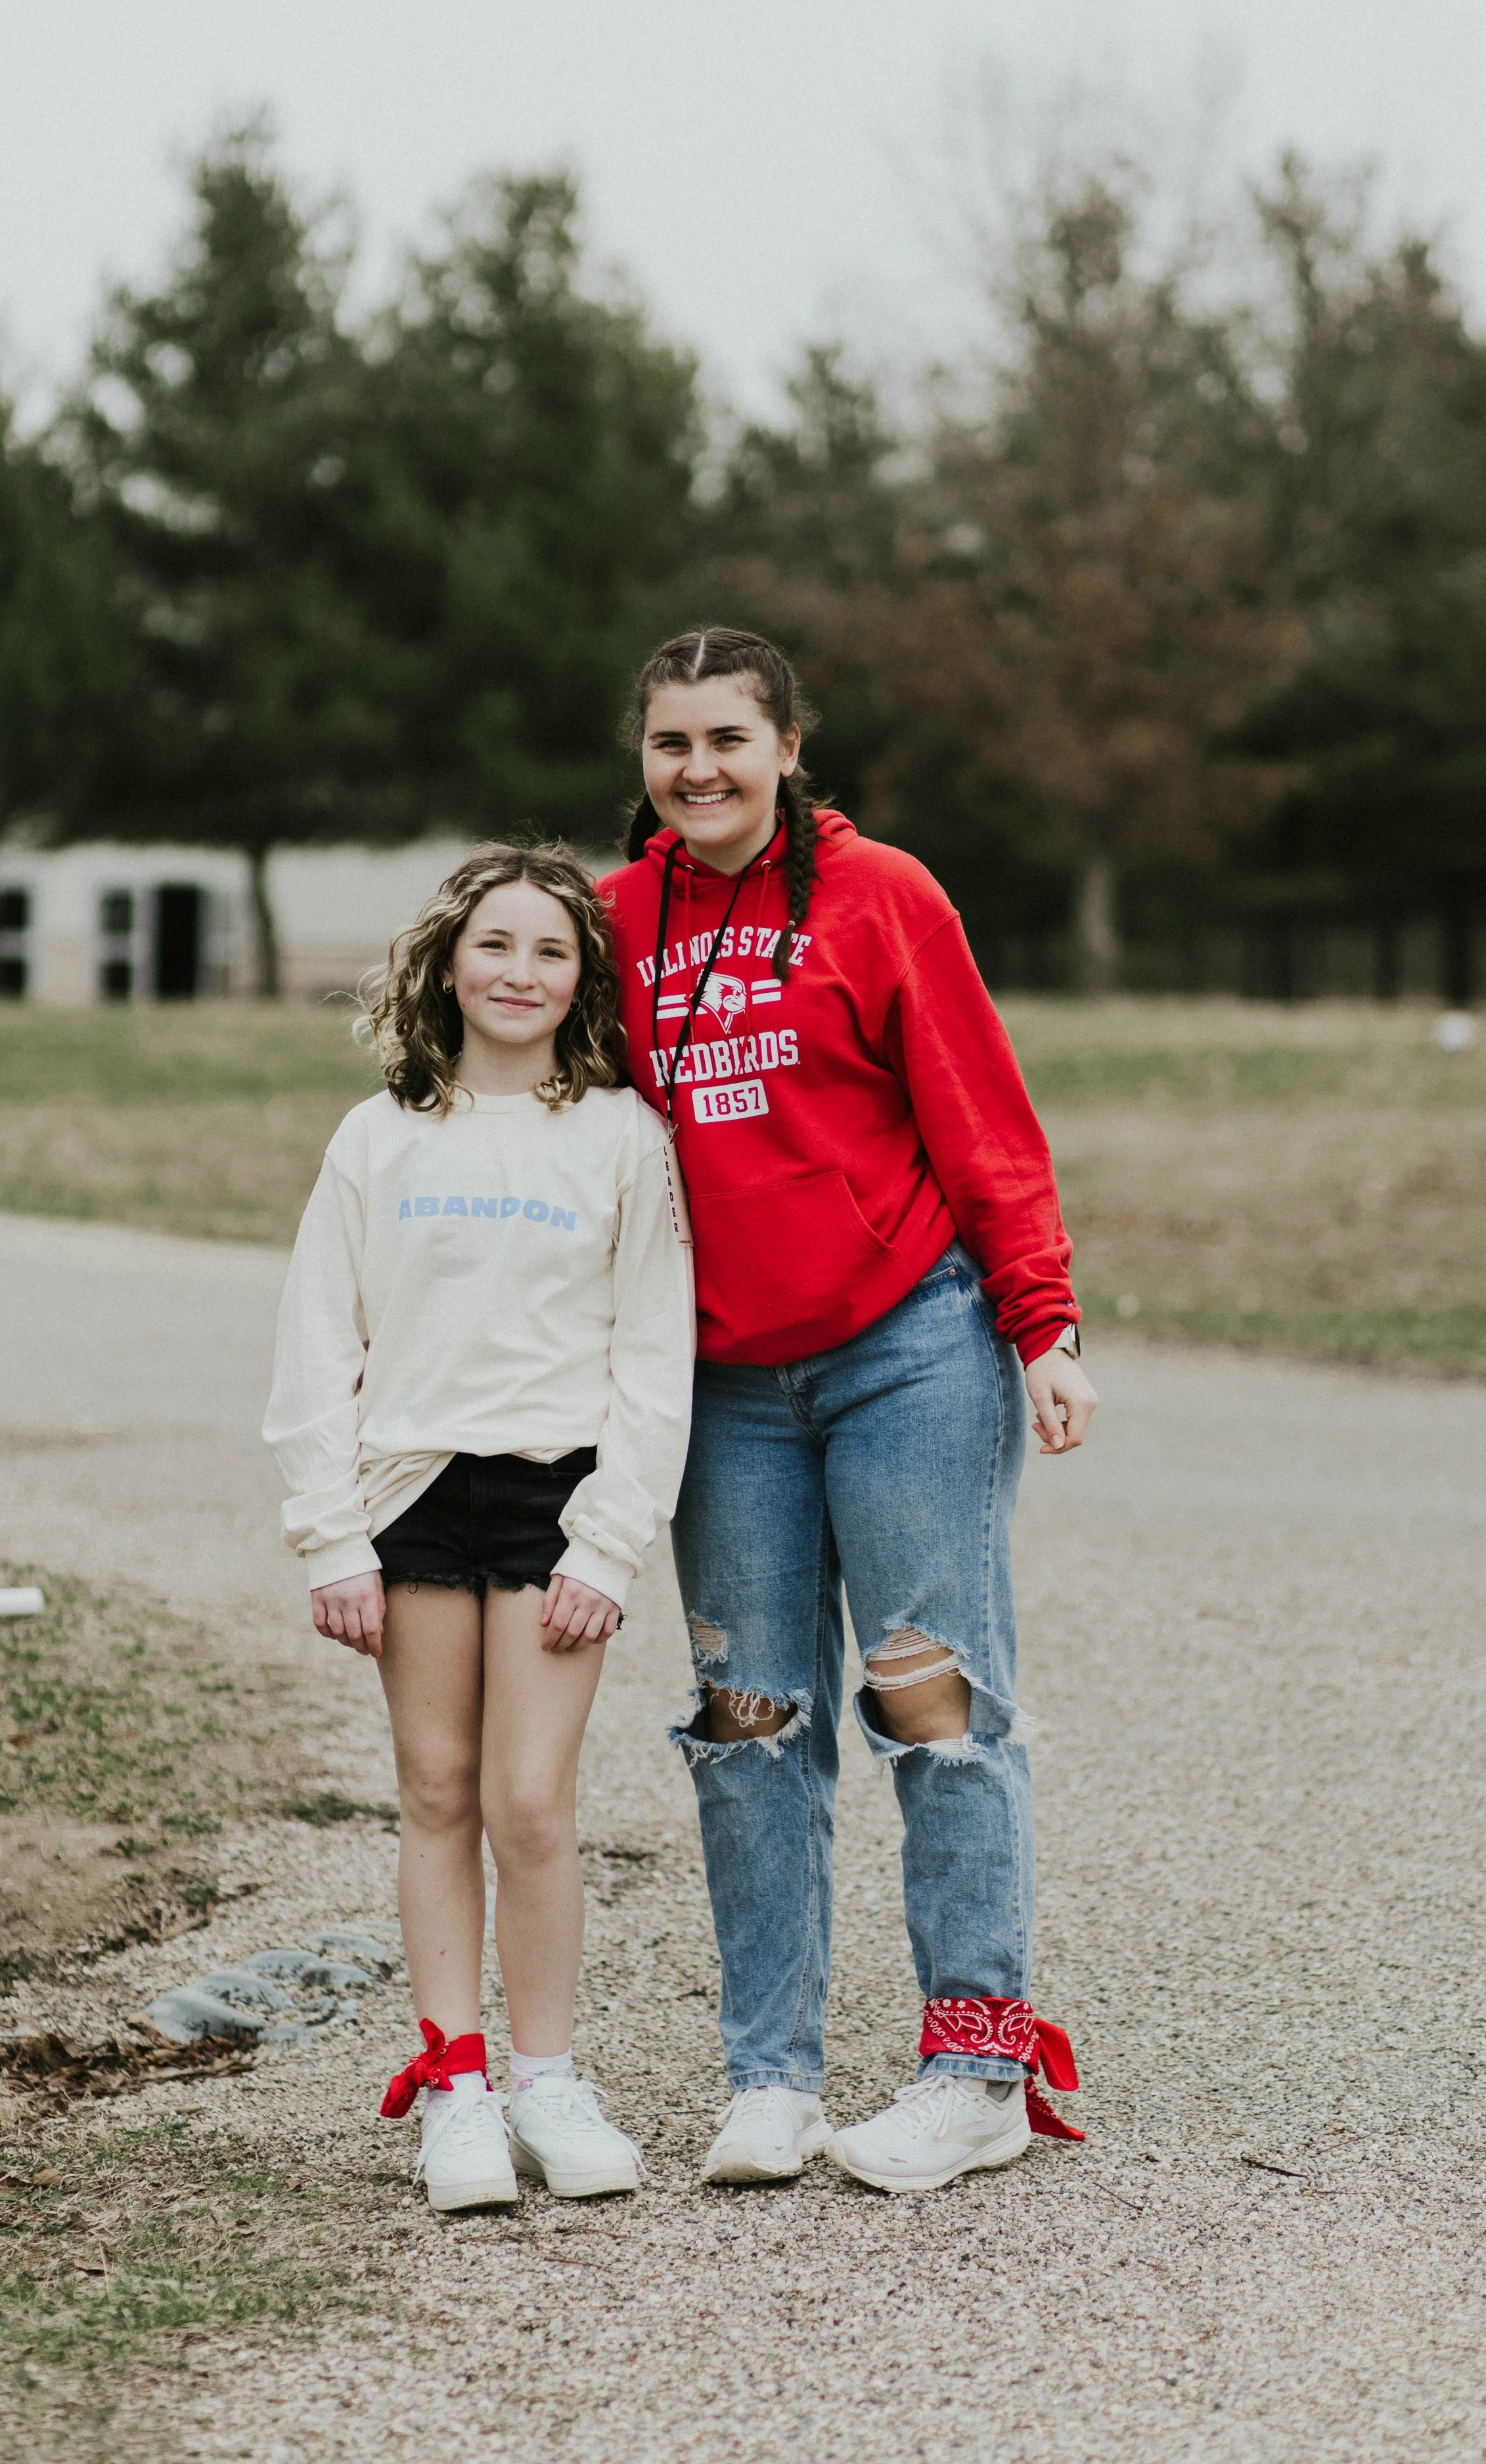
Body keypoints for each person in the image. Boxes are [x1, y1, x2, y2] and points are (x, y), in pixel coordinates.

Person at [599, 629, 1098, 2195]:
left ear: (787, 748)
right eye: (671, 744)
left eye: (728, 741)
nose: (699, 771)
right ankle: (768, 2079)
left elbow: (981, 1120)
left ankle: (974, 2068)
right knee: (746, 1724)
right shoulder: (611, 923)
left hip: (907, 1353)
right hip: (721, 1389)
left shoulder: (884, 898)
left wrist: (1044, 1325)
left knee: (930, 1704)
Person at [264, 844, 694, 2212]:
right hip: (411, 1496)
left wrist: (610, 1538)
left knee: (527, 1803)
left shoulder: (620, 1136)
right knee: (437, 1790)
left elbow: (653, 1353)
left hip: (556, 1497)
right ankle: (453, 2090)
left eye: (551, 952)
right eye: (496, 946)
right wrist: (328, 1535)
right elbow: (316, 1341)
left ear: (584, 981)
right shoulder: (381, 1134)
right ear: (448, 964)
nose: (520, 973)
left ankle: (546, 2079)